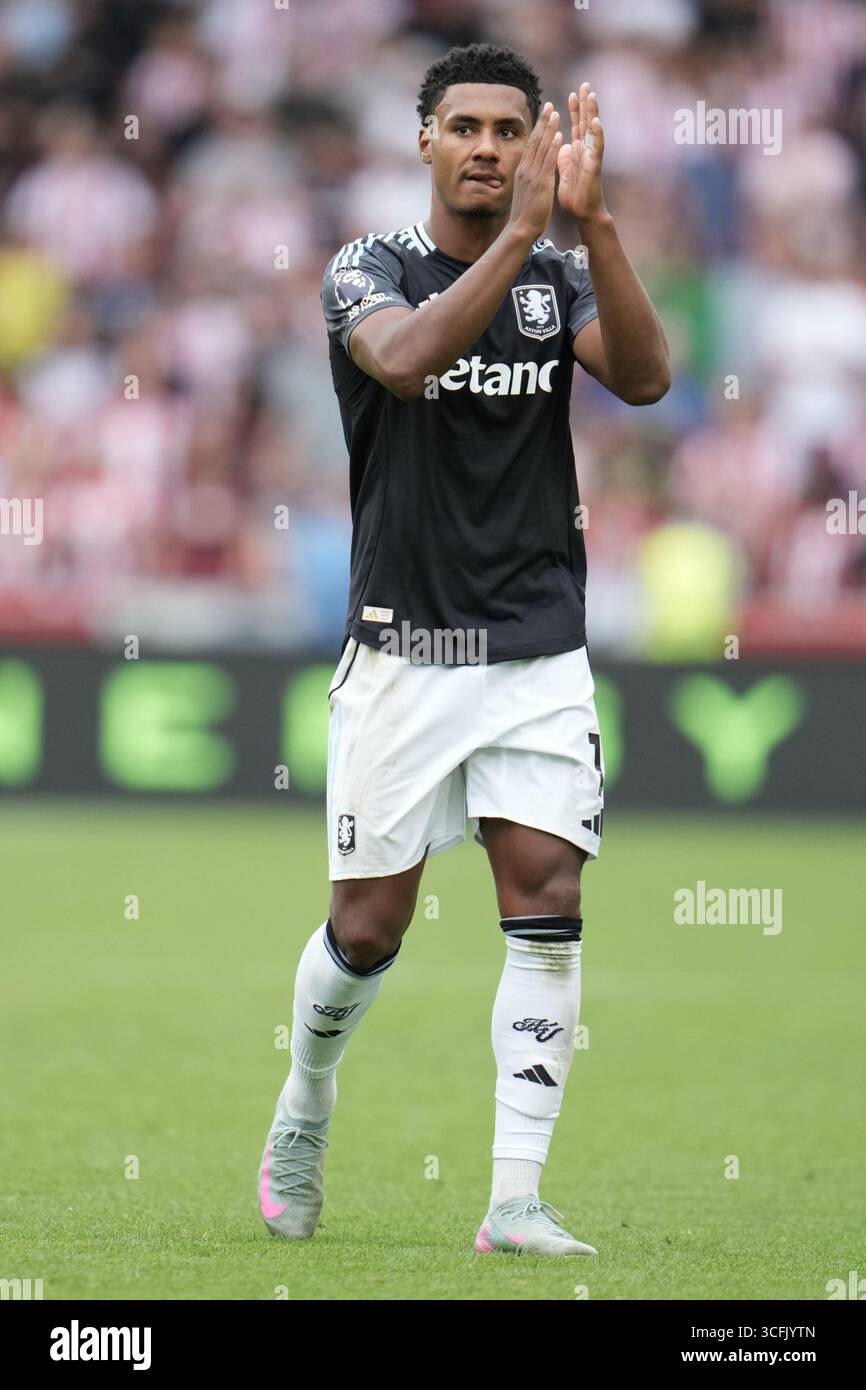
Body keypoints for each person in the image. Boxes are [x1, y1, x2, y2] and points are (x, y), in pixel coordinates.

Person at [258, 42, 670, 1257]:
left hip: (537, 643)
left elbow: (644, 382)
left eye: (509, 128)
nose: (487, 147)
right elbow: (402, 358)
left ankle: (513, 1200)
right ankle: (303, 1106)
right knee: (369, 927)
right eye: (465, 128)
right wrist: (517, 240)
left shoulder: (558, 273)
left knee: (545, 896)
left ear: (534, 142)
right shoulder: (366, 267)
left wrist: (592, 230)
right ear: (424, 142)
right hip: (404, 645)